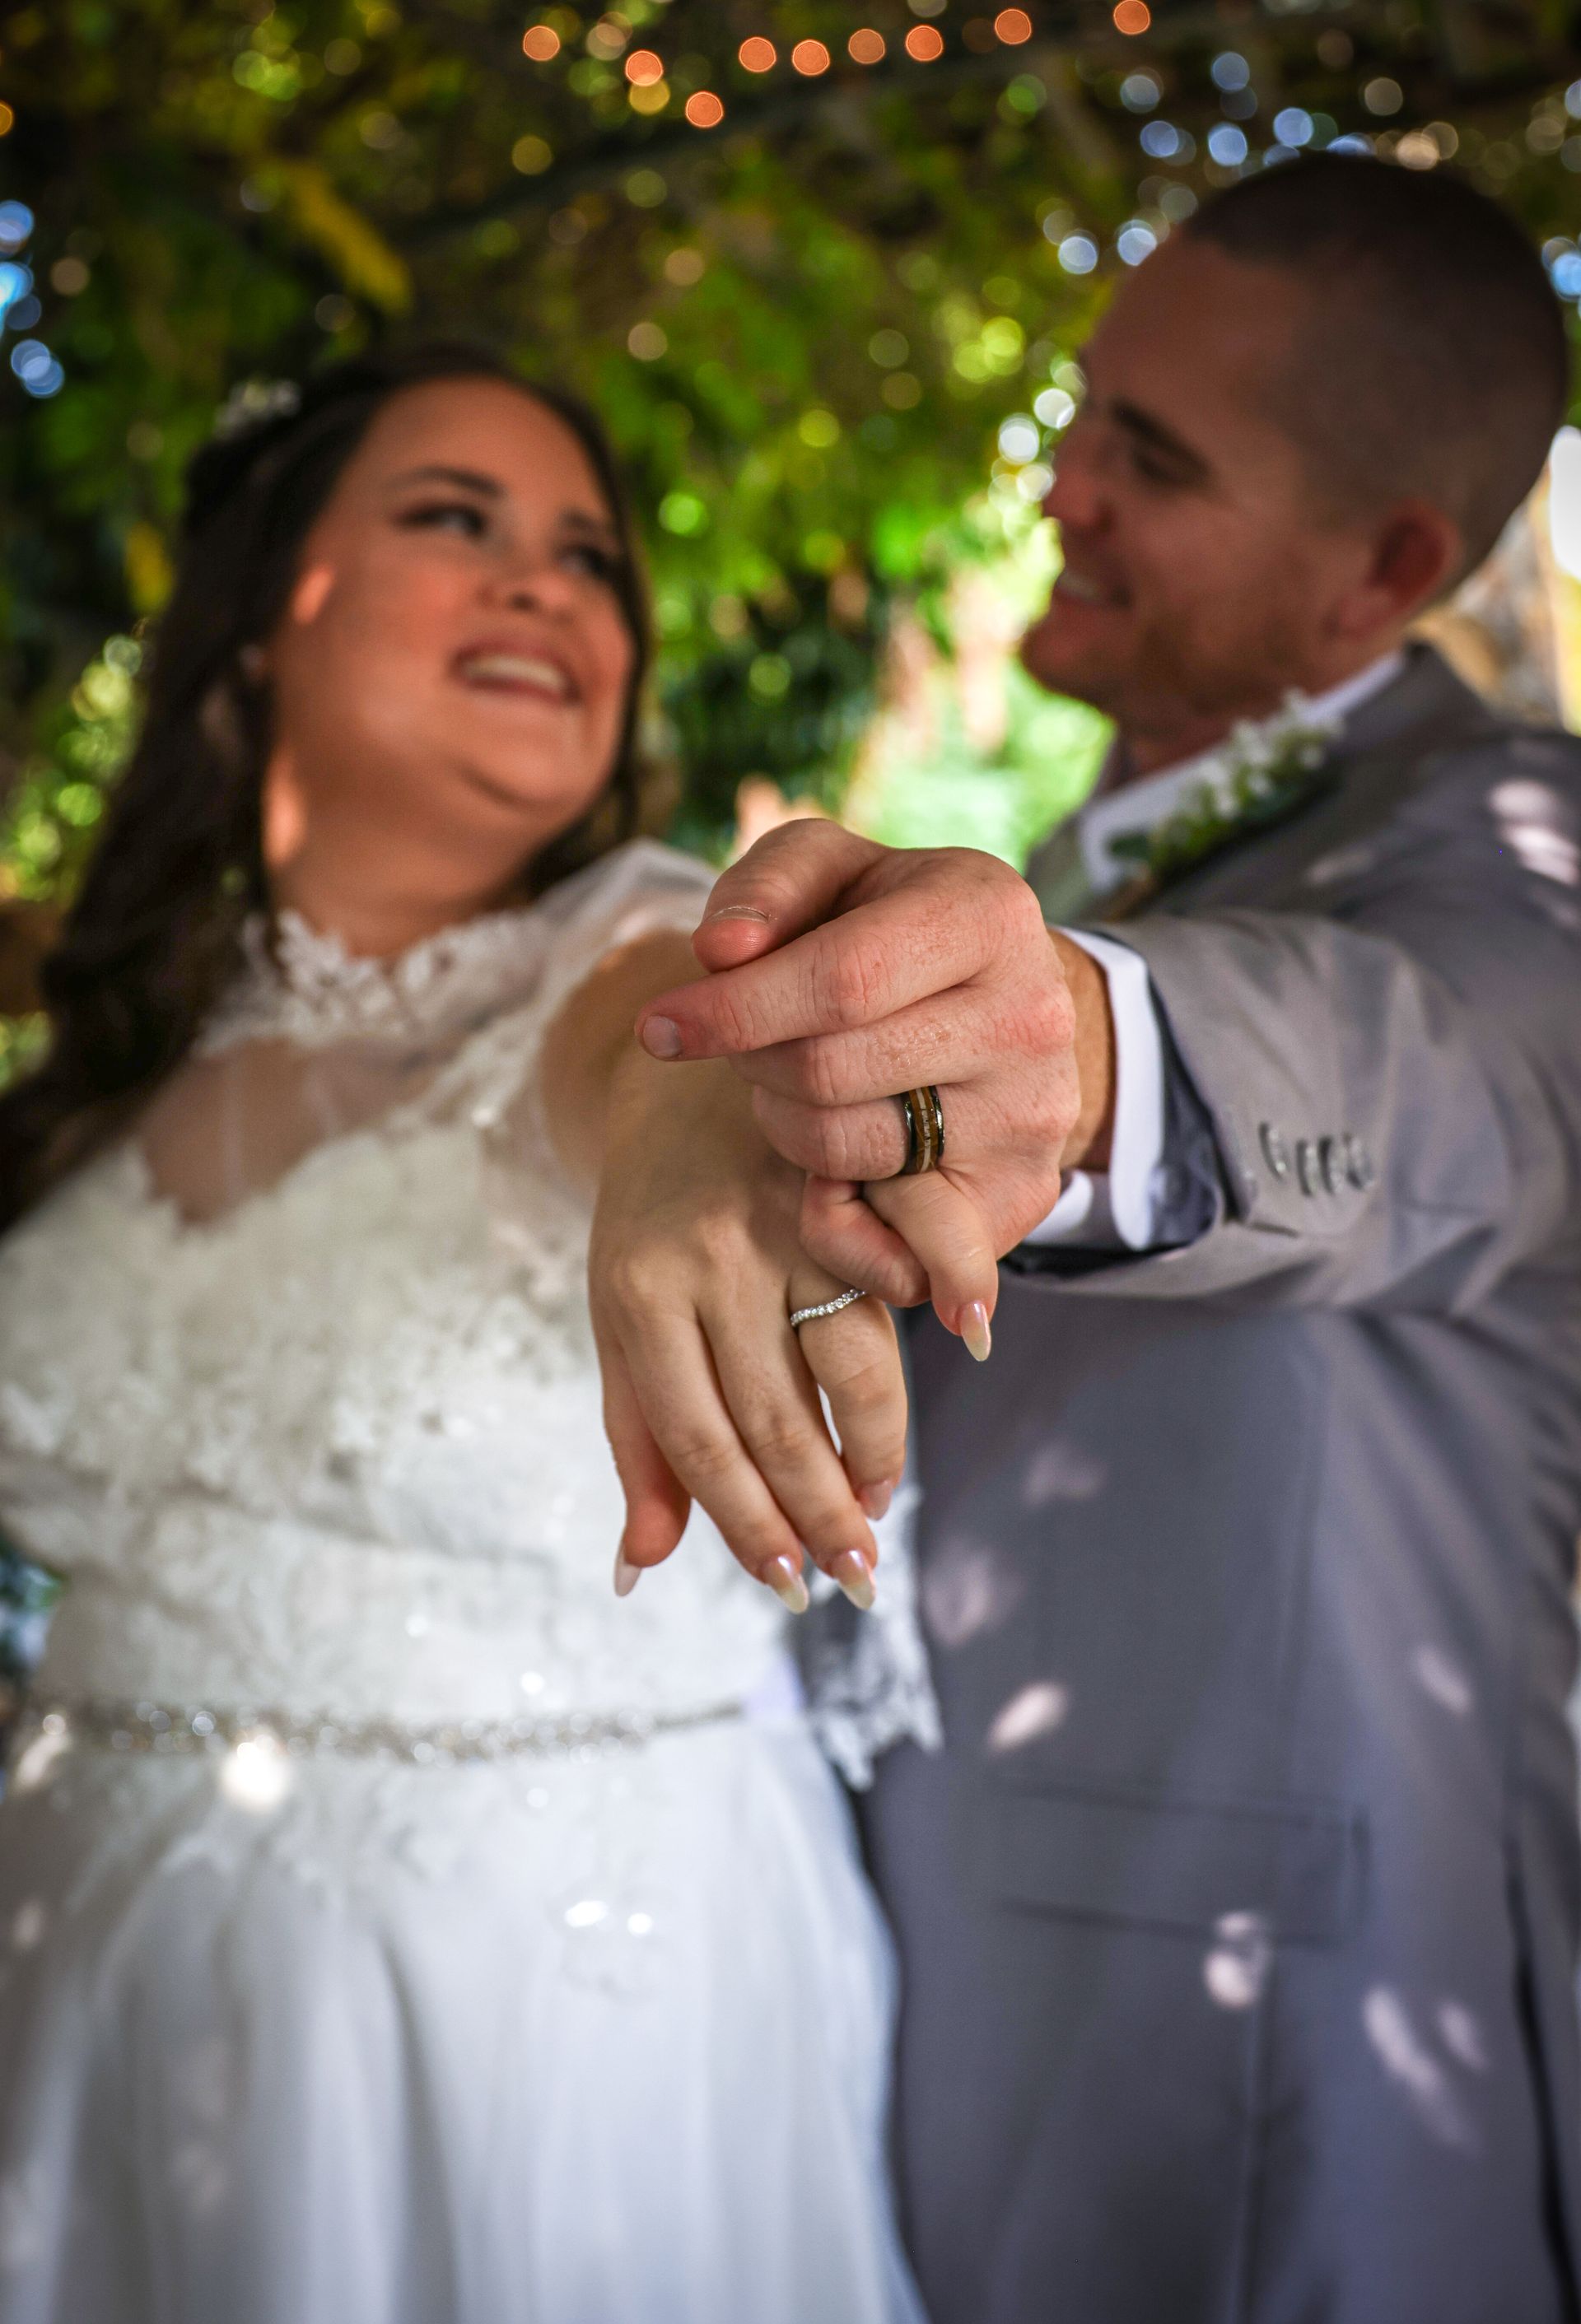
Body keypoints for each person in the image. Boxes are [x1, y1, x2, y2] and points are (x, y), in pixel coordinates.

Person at [606, 156, 1581, 2322]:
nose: (1067, 495)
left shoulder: (1521, 843)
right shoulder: (1072, 841)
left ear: (1386, 570)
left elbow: (1419, 1077)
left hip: (1255, 2079)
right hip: (889, 1982)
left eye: (1152, 460)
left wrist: (1082, 1045)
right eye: (1083, 423)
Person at [0, 345, 938, 2323]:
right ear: (263, 621)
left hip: (537, 1999)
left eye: (588, 556)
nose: (545, 584)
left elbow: (680, 1039)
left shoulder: (634, 954)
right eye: (456, 519)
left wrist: (697, 1124)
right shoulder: (108, 1064)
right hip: (78, 1983)